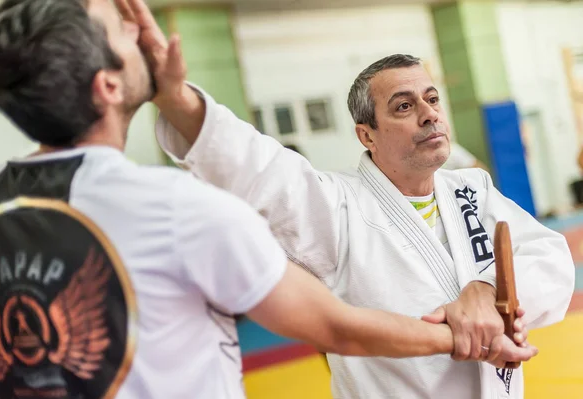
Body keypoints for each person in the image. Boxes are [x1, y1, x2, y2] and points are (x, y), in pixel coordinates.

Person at [0, 1, 537, 399]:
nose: (139, 27)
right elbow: (335, 326)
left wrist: (484, 296)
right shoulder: (179, 206)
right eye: (122, 29)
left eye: (433, 99)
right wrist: (465, 334)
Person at [154, 43, 575, 398]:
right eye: (404, 106)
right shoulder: (335, 207)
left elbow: (551, 257)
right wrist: (175, 99)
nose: (428, 114)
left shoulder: (472, 189)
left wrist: (488, 291)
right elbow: (256, 166)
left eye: (432, 99)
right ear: (366, 135)